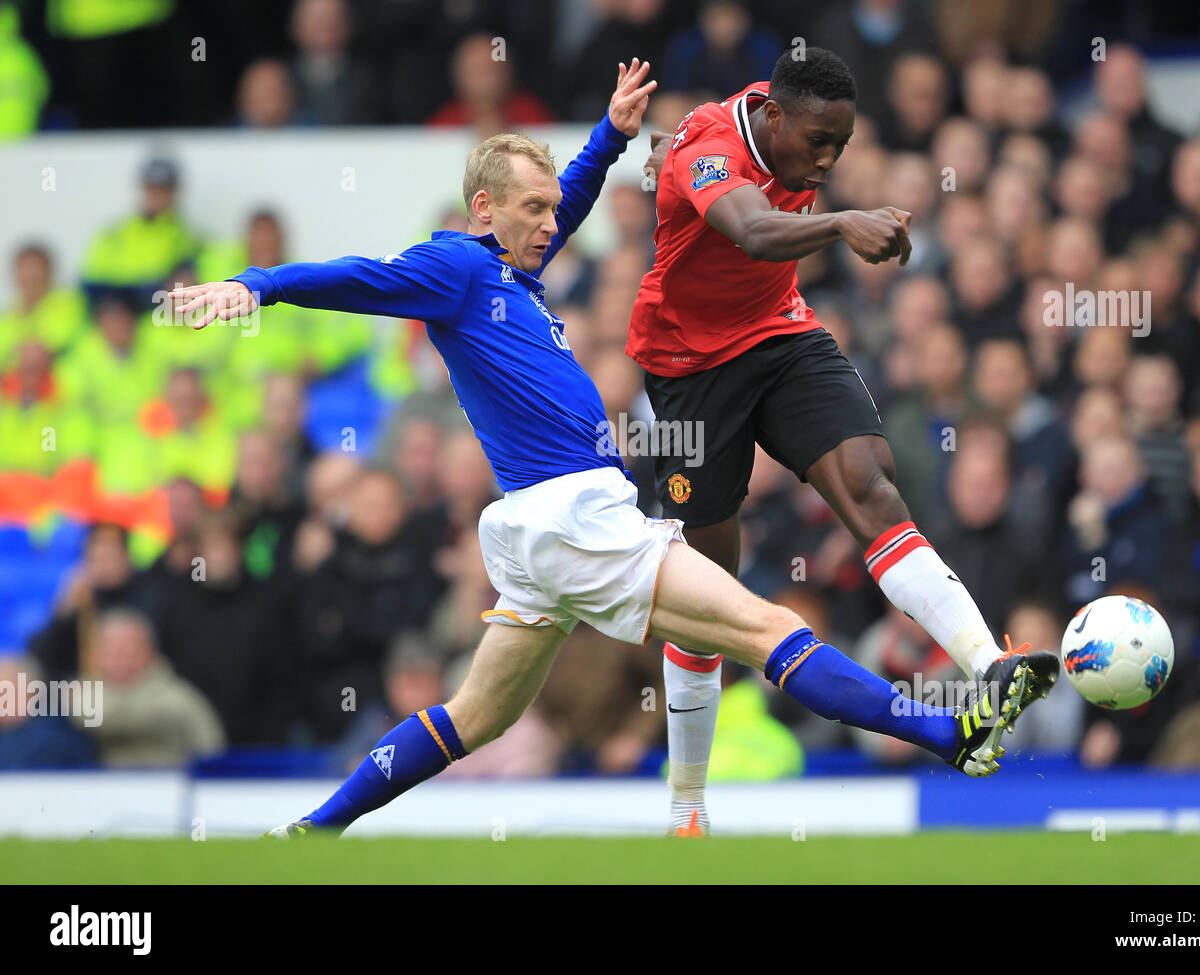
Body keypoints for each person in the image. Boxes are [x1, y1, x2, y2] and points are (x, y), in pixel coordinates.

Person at [173, 61, 1048, 840]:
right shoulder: (457, 268)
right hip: (576, 517)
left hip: (540, 533)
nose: (552, 223)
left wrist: (609, 134)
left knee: (472, 715)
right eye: (532, 209)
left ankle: (313, 829)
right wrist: (256, 286)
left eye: (553, 207)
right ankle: (946, 733)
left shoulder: (510, 273)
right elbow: (359, 277)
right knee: (769, 625)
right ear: (483, 212)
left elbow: (575, 198)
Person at [630, 47, 1058, 834]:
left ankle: (989, 664)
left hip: (781, 337)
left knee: (872, 481)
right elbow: (754, 231)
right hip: (691, 371)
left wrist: (662, 152)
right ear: (775, 119)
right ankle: (687, 808)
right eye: (818, 144)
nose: (827, 159)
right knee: (705, 591)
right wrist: (843, 220)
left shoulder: (786, 109)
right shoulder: (715, 149)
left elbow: (699, 168)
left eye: (841, 146)